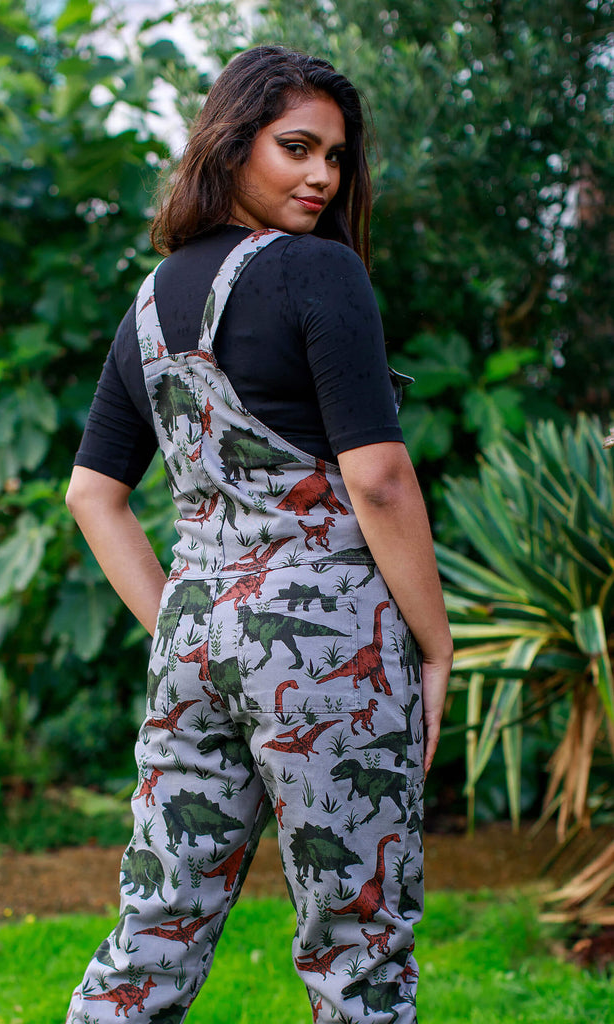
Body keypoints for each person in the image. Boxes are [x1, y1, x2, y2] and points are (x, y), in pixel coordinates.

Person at [64, 44, 451, 1024]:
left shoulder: (148, 306)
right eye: (297, 148)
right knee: (356, 946)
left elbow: (92, 494)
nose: (323, 175)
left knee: (153, 928)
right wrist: (436, 645)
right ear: (232, 142)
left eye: (336, 156)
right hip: (330, 644)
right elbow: (378, 475)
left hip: (194, 640)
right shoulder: (322, 273)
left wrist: (181, 620)